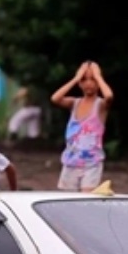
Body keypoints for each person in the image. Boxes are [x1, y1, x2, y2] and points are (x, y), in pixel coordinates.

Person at [50, 61, 114, 192]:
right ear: (79, 83)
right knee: (68, 199)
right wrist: (75, 78)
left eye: (92, 79)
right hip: (70, 162)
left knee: (86, 198)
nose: (88, 83)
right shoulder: (74, 103)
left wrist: (98, 76)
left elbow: (109, 96)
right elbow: (55, 98)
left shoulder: (100, 105)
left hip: (92, 163)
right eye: (84, 79)